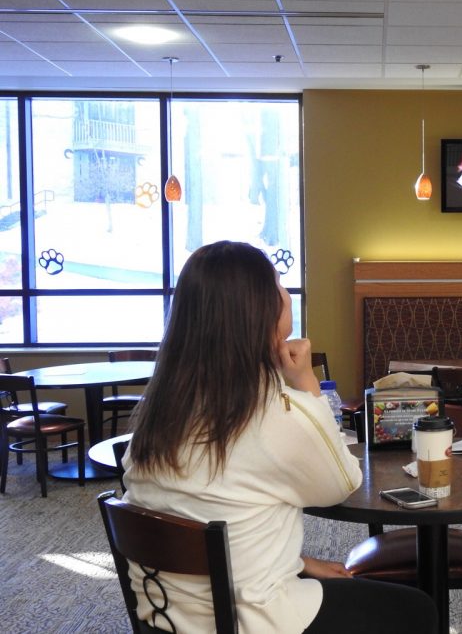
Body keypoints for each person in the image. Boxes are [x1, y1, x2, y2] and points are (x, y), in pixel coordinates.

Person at [123, 240, 437, 634]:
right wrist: (307, 381)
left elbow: (212, 518)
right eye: (277, 283)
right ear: (261, 310)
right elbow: (343, 482)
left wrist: (301, 563)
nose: (285, 293)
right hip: (253, 620)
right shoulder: (273, 411)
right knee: (416, 609)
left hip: (168, 617)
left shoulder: (157, 416)